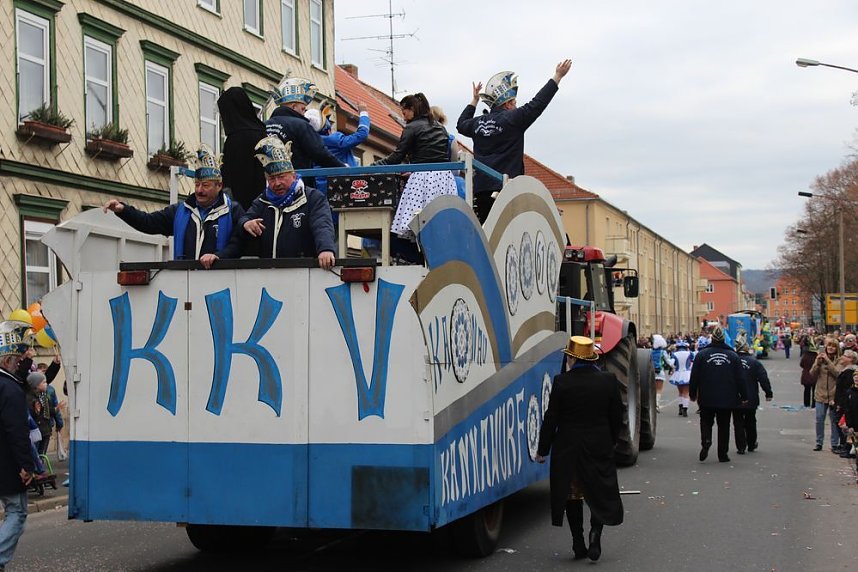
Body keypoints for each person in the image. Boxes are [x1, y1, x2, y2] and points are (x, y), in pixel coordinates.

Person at [536, 336, 623, 562]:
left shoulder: (562, 382)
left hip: (569, 448)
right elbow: (616, 416)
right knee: (598, 492)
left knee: (573, 496)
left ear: (572, 358)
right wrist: (612, 441)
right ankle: (596, 534)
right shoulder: (609, 380)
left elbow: (551, 418)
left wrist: (543, 449)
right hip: (599, 446)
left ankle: (578, 542)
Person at [457, 59, 572, 222]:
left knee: (485, 231)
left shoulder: (477, 124)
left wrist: (474, 101)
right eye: (515, 102)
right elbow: (537, 104)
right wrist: (557, 77)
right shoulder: (513, 119)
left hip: (481, 191)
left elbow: (461, 124)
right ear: (508, 103)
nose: (516, 106)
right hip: (506, 191)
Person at [103, 145, 245, 269]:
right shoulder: (180, 211)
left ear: (219, 186)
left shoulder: (233, 211)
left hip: (220, 282)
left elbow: (239, 245)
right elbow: (148, 222)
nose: (199, 190)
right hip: (184, 281)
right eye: (197, 184)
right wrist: (123, 210)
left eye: (205, 185)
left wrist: (219, 256)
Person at [239, 136, 335, 269]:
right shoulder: (262, 201)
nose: (277, 183)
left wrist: (326, 249)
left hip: (304, 272)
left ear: (293, 175)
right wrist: (246, 223)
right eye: (272, 179)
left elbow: (322, 226)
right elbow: (244, 218)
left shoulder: (313, 198)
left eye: (281, 177)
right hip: (268, 273)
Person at [373, 93, 458, 241]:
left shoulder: (411, 127)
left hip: (422, 178)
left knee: (417, 223)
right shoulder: (440, 128)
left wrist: (375, 166)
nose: (404, 116)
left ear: (412, 109)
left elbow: (397, 156)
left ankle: (422, 252)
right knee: (440, 225)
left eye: (404, 112)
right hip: (444, 178)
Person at [0, 321, 37, 570]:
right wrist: (27, 465)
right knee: (17, 512)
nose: (19, 364)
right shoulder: (10, 389)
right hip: (7, 464)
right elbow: (17, 431)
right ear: (6, 361)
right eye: (16, 360)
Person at [264, 77, 344, 188]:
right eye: (303, 109)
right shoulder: (301, 125)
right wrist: (343, 168)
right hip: (297, 185)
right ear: (294, 107)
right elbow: (320, 154)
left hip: (270, 185)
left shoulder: (264, 125)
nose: (304, 113)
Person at [689, 326, 747, 463]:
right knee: (724, 426)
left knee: (706, 421)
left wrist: (693, 393)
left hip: (707, 396)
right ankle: (722, 454)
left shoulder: (702, 355)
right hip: (727, 397)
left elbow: (694, 376)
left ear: (712, 339)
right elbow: (740, 378)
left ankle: (706, 440)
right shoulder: (733, 356)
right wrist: (744, 396)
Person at [217, 86, 267, 210]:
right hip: (263, 203)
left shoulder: (235, 139)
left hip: (240, 207)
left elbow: (232, 178)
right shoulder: (262, 133)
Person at [733, 336, 773, 454]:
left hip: (735, 396)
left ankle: (741, 446)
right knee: (750, 420)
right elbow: (763, 378)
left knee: (738, 422)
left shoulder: (732, 361)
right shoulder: (754, 362)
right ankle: (751, 443)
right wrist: (768, 393)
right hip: (751, 396)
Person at [809, 336, 841, 452]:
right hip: (820, 394)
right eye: (829, 346)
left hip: (833, 395)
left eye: (833, 346)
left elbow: (838, 373)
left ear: (837, 348)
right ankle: (819, 442)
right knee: (819, 419)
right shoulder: (820, 359)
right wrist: (817, 363)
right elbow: (812, 373)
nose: (831, 348)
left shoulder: (839, 360)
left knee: (834, 421)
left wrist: (828, 361)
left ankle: (834, 444)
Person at [834, 349, 858, 457]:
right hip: (843, 401)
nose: (842, 357)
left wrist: (840, 403)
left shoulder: (850, 372)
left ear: (851, 359)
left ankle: (848, 447)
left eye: (845, 356)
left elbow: (845, 389)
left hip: (845, 402)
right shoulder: (844, 369)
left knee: (845, 424)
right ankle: (846, 446)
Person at [670, 339, 695, 416]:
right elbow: (693, 362)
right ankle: (685, 409)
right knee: (686, 392)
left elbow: (671, 363)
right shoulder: (690, 353)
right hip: (687, 373)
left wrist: (674, 367)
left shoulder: (674, 354)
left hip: (678, 373)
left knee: (680, 392)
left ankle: (680, 408)